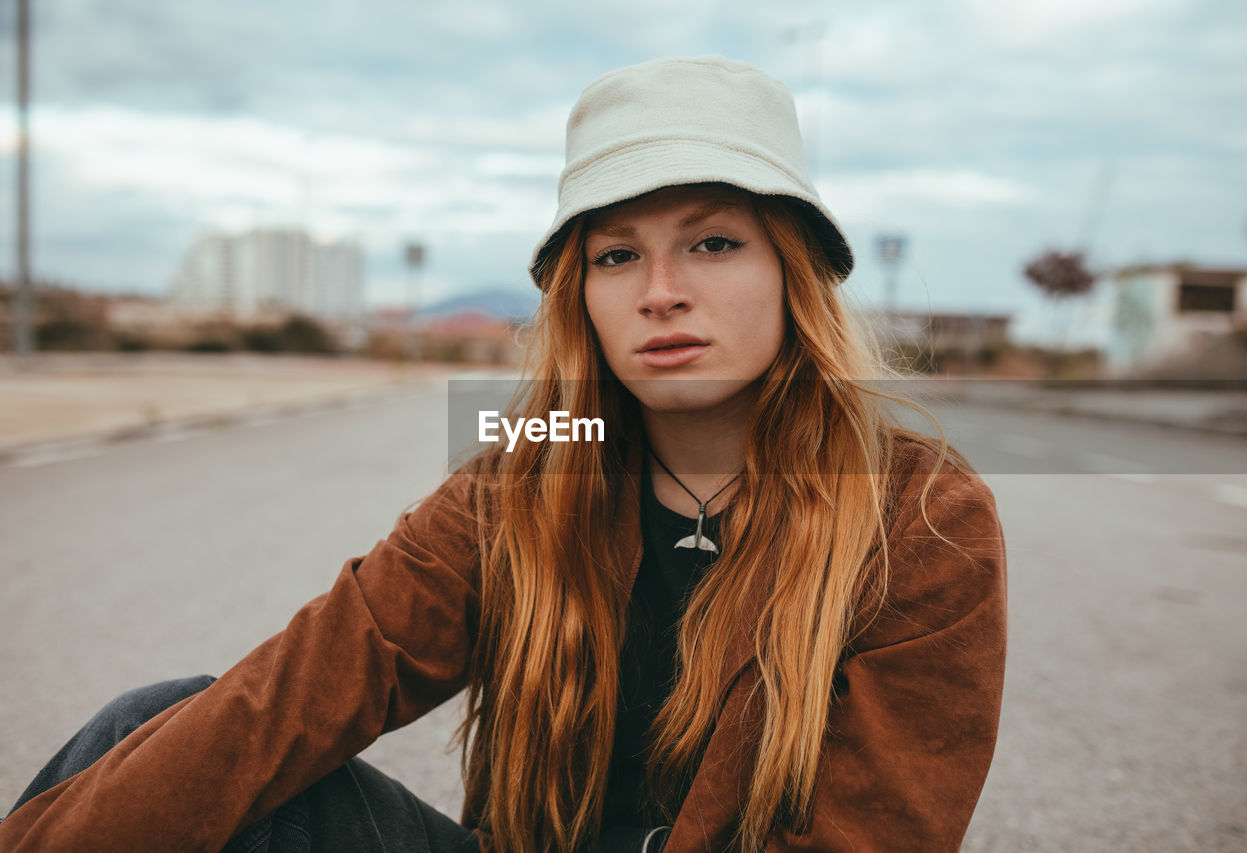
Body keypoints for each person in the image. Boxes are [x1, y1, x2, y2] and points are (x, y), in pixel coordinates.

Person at [1, 55, 1006, 853]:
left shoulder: (918, 510)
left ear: (792, 270)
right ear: (582, 297)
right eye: (615, 255)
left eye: (711, 243)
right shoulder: (529, 468)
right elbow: (310, 686)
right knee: (163, 727)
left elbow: (876, 833)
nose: (659, 289)